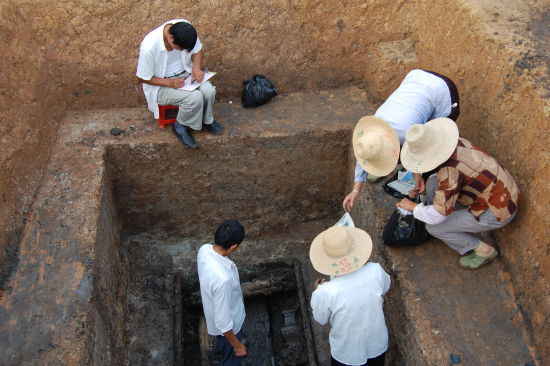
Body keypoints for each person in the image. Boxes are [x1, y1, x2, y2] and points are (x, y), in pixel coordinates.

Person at [396, 118, 519, 270]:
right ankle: (451, 218)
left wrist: (413, 207)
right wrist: (418, 175)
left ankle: (484, 251)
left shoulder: (449, 174)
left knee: (434, 228)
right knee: (432, 183)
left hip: (497, 211)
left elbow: (437, 217)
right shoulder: (454, 143)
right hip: (504, 190)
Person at [343, 69, 460, 212]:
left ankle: (430, 193)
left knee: (433, 141)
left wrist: (419, 175)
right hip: (417, 76)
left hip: (442, 91)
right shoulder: (373, 128)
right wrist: (355, 191)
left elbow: (421, 152)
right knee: (419, 132)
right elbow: (364, 155)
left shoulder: (406, 135)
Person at [309, 226, 391, 366]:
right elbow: (386, 287)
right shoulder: (375, 271)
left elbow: (321, 319)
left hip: (346, 353)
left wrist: (317, 291)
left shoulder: (325, 292)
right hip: (376, 344)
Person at [136, 19, 223, 149]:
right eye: (181, 49)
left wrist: (196, 67)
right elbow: (141, 78)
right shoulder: (149, 47)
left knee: (209, 91)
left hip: (186, 74)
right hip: (161, 84)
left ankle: (207, 120)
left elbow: (196, 50)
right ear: (170, 37)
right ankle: (180, 125)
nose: (185, 51)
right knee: (195, 98)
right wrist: (169, 82)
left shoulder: (186, 30)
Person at [197, 220, 247, 365]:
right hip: (231, 330)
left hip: (219, 308)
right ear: (233, 246)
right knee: (232, 360)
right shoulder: (223, 280)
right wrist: (237, 345)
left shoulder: (204, 249)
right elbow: (224, 324)